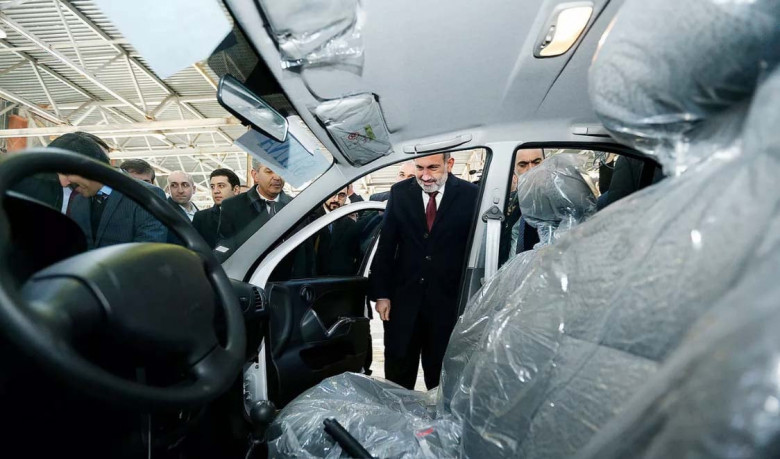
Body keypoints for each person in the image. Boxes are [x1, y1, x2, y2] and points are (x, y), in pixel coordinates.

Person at [370, 152, 479, 390]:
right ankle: (397, 413)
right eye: (420, 168)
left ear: (450, 164)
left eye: (433, 168)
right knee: (398, 374)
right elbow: (387, 245)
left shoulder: (471, 195)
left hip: (447, 304)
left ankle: (440, 415)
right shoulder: (400, 193)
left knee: (440, 376)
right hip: (403, 302)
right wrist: (382, 294)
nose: (425, 176)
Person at [56, 132, 167, 249]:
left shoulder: (147, 195)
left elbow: (148, 251)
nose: (64, 183)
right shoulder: (79, 201)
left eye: (67, 173)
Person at [217, 159, 291, 251]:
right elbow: (224, 245)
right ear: (255, 175)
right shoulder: (233, 206)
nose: (277, 177)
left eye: (281, 171)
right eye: (269, 171)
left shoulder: (297, 205)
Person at [499, 148, 544, 264]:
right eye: (523, 165)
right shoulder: (510, 204)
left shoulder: (561, 201)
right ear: (514, 171)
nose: (531, 169)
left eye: (536, 162)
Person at [312, 187, 362, 276]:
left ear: (346, 197)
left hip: (339, 280)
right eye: (332, 194)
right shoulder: (309, 219)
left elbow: (355, 255)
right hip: (311, 280)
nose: (335, 199)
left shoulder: (351, 225)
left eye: (341, 195)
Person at [192, 168, 240, 249]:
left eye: (221, 186)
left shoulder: (251, 215)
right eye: (212, 187)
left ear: (236, 190)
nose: (215, 191)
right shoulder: (201, 218)